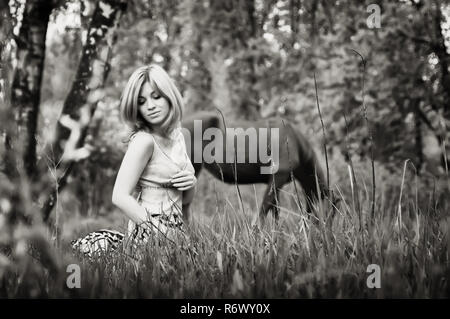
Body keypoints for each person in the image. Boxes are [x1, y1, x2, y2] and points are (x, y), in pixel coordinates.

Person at [71, 64, 196, 257]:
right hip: (149, 233)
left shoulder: (178, 136)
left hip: (177, 230)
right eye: (142, 101)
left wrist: (191, 184)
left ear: (169, 95)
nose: (150, 106)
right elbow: (119, 196)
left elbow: (184, 201)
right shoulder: (144, 141)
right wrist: (160, 233)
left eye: (156, 96)